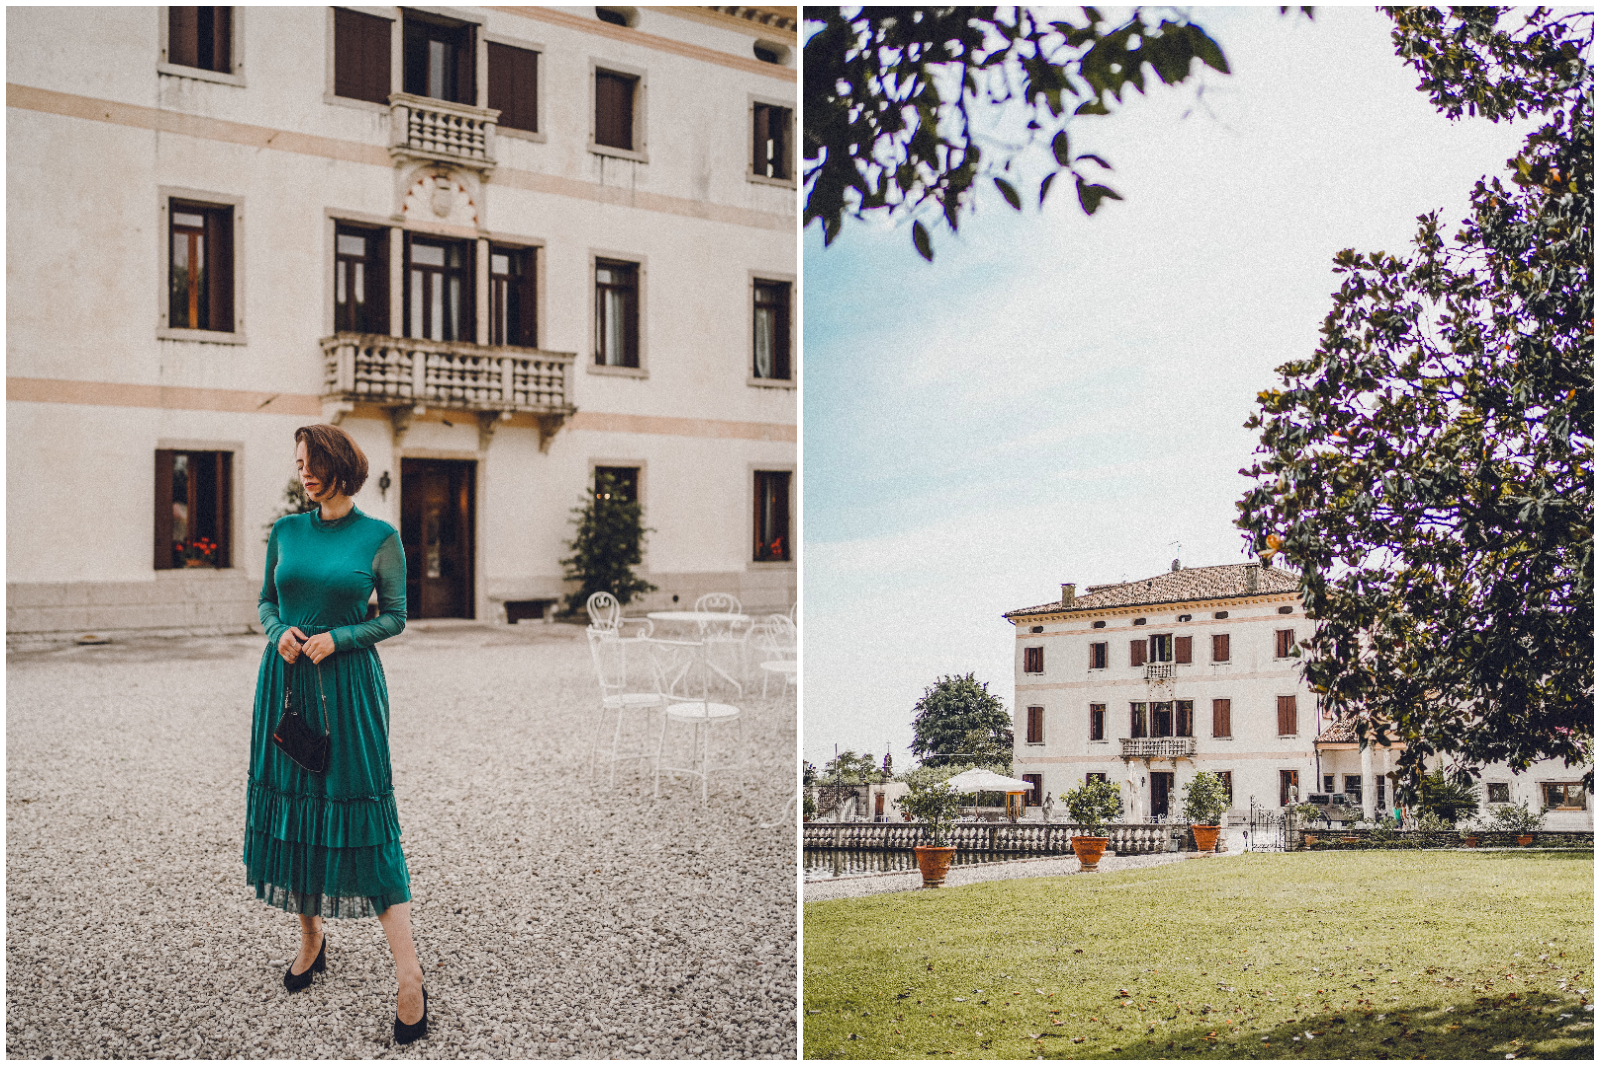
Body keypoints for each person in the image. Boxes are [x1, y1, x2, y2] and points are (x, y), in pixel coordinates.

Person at [244, 424, 427, 1045]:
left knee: (367, 821)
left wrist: (338, 638)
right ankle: (311, 935)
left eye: (314, 462)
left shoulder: (380, 538)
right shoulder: (287, 532)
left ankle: (408, 974)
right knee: (296, 812)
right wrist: (280, 634)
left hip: (348, 694)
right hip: (286, 686)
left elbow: (397, 617)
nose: (305, 473)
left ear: (341, 466)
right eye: (298, 463)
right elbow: (267, 602)